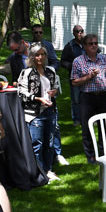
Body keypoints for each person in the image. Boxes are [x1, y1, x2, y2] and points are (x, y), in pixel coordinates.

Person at [70, 34, 106, 164]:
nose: (94, 46)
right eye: (90, 44)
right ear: (84, 46)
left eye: (96, 43)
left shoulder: (104, 59)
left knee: (104, 125)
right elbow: (74, 82)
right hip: (87, 97)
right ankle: (91, 154)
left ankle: (104, 152)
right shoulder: (78, 61)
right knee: (87, 127)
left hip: (103, 95)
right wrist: (88, 77)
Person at [18, 43, 61, 181]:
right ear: (32, 56)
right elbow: (21, 92)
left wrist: (54, 92)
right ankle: (39, 171)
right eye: (37, 54)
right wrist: (37, 98)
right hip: (34, 113)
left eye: (43, 54)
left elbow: (57, 88)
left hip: (50, 110)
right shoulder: (27, 73)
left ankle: (48, 169)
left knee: (49, 143)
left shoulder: (50, 71)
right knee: (37, 143)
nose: (40, 57)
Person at [60, 24, 87, 124]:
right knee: (76, 99)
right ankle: (77, 119)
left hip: (88, 76)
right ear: (73, 33)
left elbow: (96, 52)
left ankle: (88, 117)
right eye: (77, 31)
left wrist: (87, 40)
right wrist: (72, 66)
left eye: (81, 30)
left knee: (88, 97)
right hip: (75, 76)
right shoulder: (69, 46)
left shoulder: (87, 43)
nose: (80, 33)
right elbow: (63, 61)